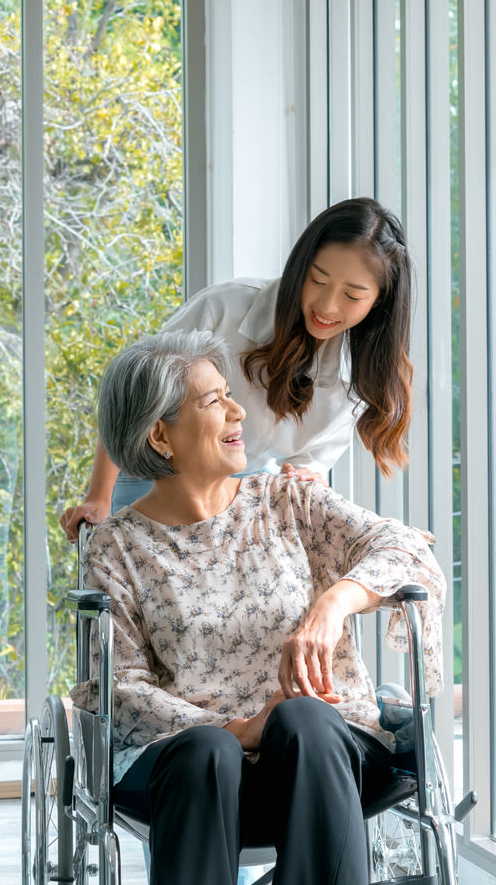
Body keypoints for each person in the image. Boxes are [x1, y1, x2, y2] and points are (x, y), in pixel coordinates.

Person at [69, 330, 446, 885]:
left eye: (229, 394)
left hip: (324, 754)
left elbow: (406, 548)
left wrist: (332, 606)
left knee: (304, 718)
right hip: (191, 770)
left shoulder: (287, 501)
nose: (237, 410)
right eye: (213, 400)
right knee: (205, 751)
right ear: (160, 435)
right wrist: (241, 729)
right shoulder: (118, 547)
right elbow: (117, 690)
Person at [59, 196, 414, 542]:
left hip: (242, 496)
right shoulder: (226, 307)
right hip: (158, 477)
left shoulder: (360, 375)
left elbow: (311, 459)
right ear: (300, 265)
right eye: (317, 280)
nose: (327, 304)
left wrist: (308, 475)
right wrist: (99, 497)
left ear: (379, 299)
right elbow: (133, 394)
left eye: (352, 296)